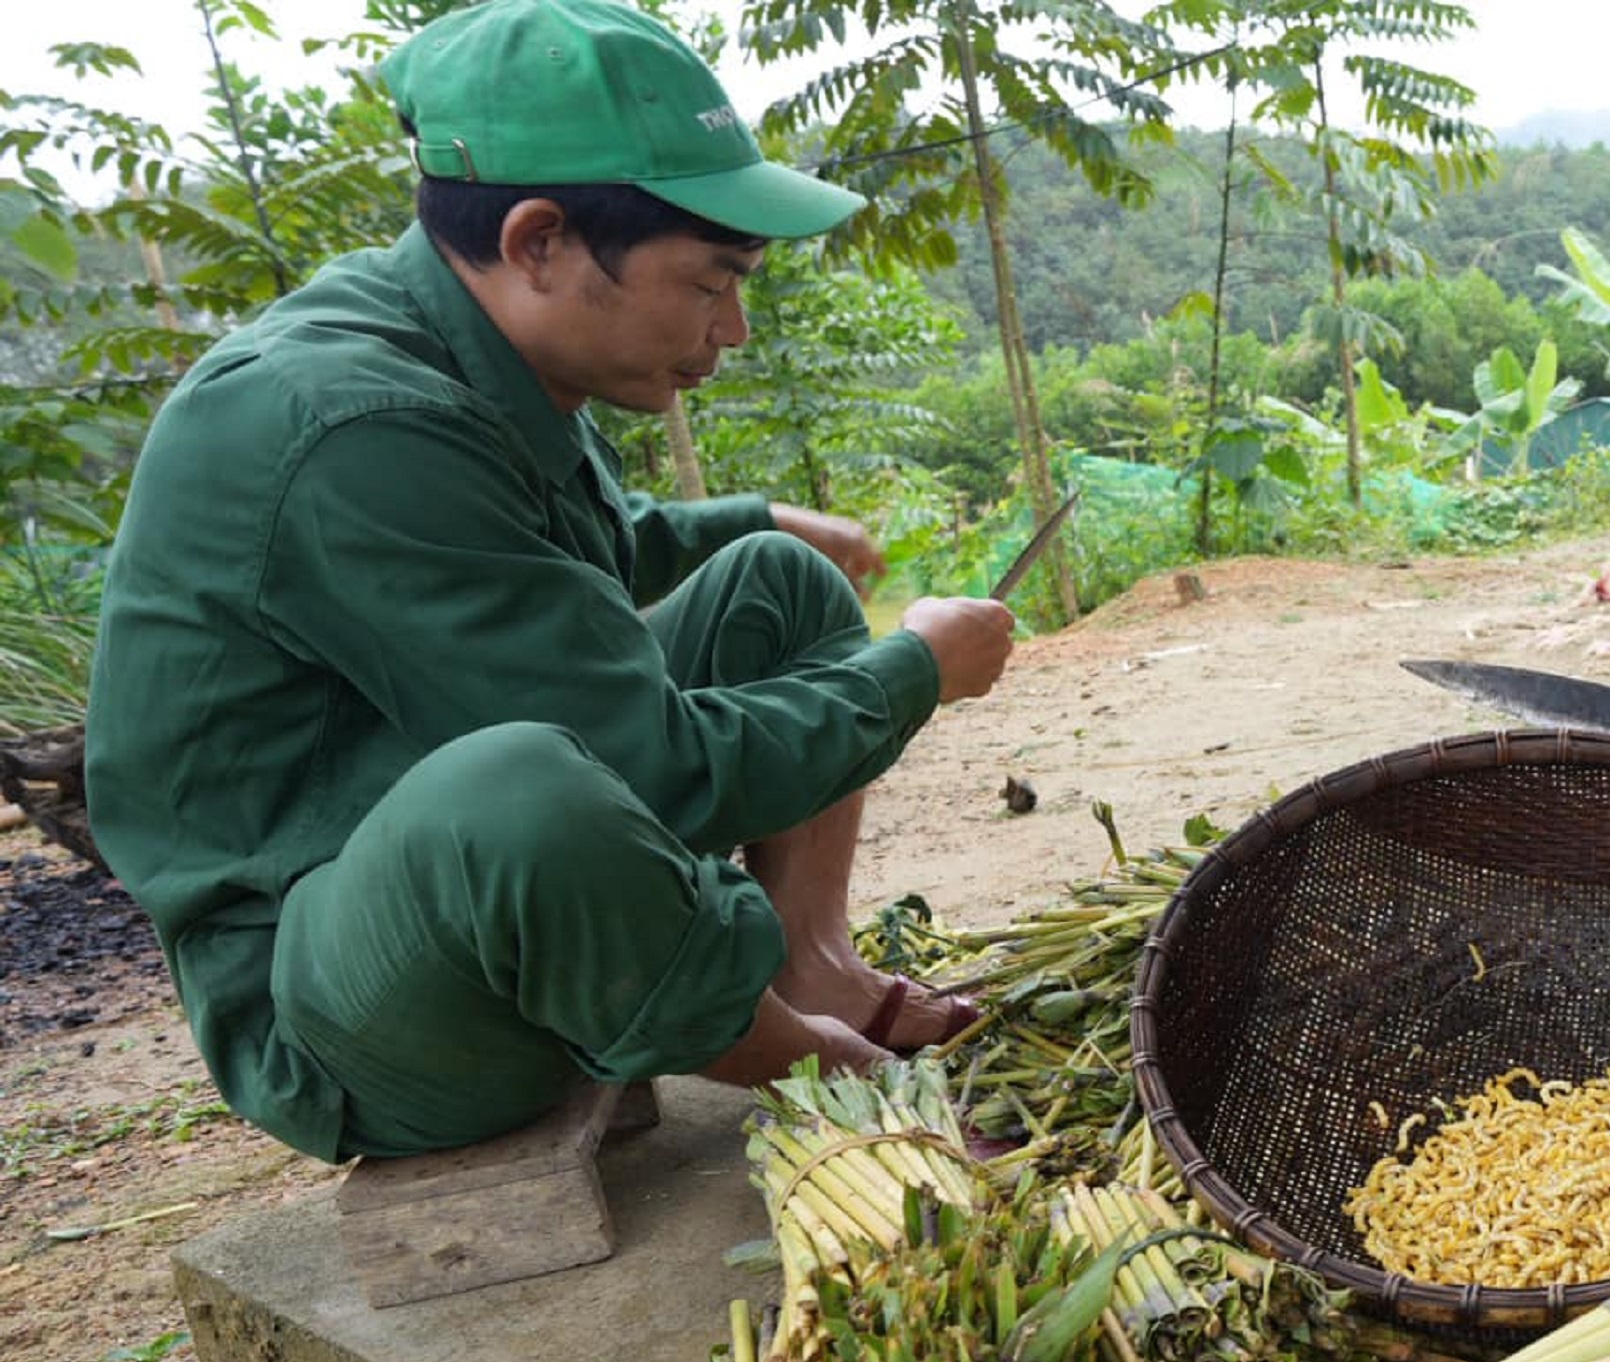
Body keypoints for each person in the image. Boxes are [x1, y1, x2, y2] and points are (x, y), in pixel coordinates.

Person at [86, 0, 1019, 1164]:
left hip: (432, 841)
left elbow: (550, 553)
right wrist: (913, 671)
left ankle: (806, 952)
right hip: (338, 992)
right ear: (538, 242)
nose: (731, 328)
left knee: (774, 583)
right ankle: (816, 1062)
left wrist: (751, 519)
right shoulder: (351, 421)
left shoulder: (472, 345)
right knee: (532, 784)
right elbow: (649, 771)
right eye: (709, 282)